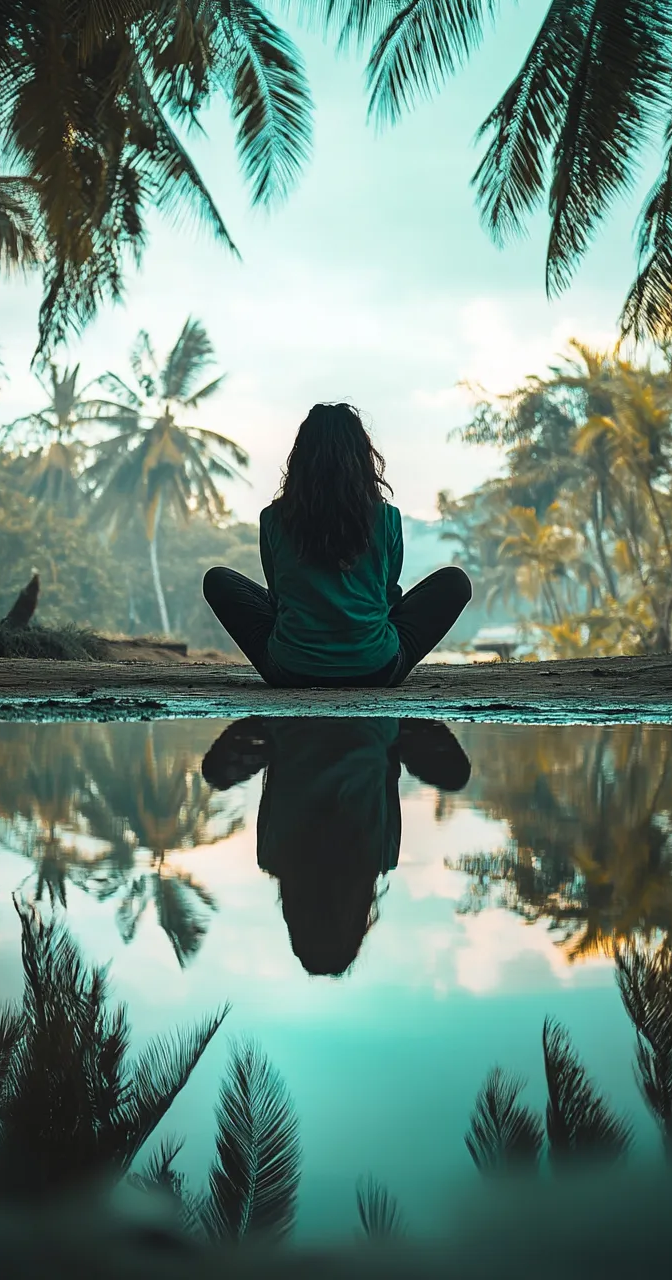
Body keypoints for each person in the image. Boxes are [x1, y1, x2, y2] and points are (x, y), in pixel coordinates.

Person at [203, 402, 472, 687]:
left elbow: (278, 596)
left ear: (300, 459)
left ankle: (304, 652)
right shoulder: (387, 518)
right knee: (455, 582)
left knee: (218, 580)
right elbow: (388, 596)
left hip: (289, 671)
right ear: (363, 458)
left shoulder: (272, 518)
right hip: (378, 669)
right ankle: (362, 651)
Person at [201, 716, 471, 977]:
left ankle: (401, 726)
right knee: (216, 774)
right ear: (294, 919)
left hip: (375, 723)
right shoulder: (272, 858)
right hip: (288, 721)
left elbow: (389, 776)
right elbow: (273, 782)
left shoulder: (380, 859)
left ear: (356, 923)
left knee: (454, 775)